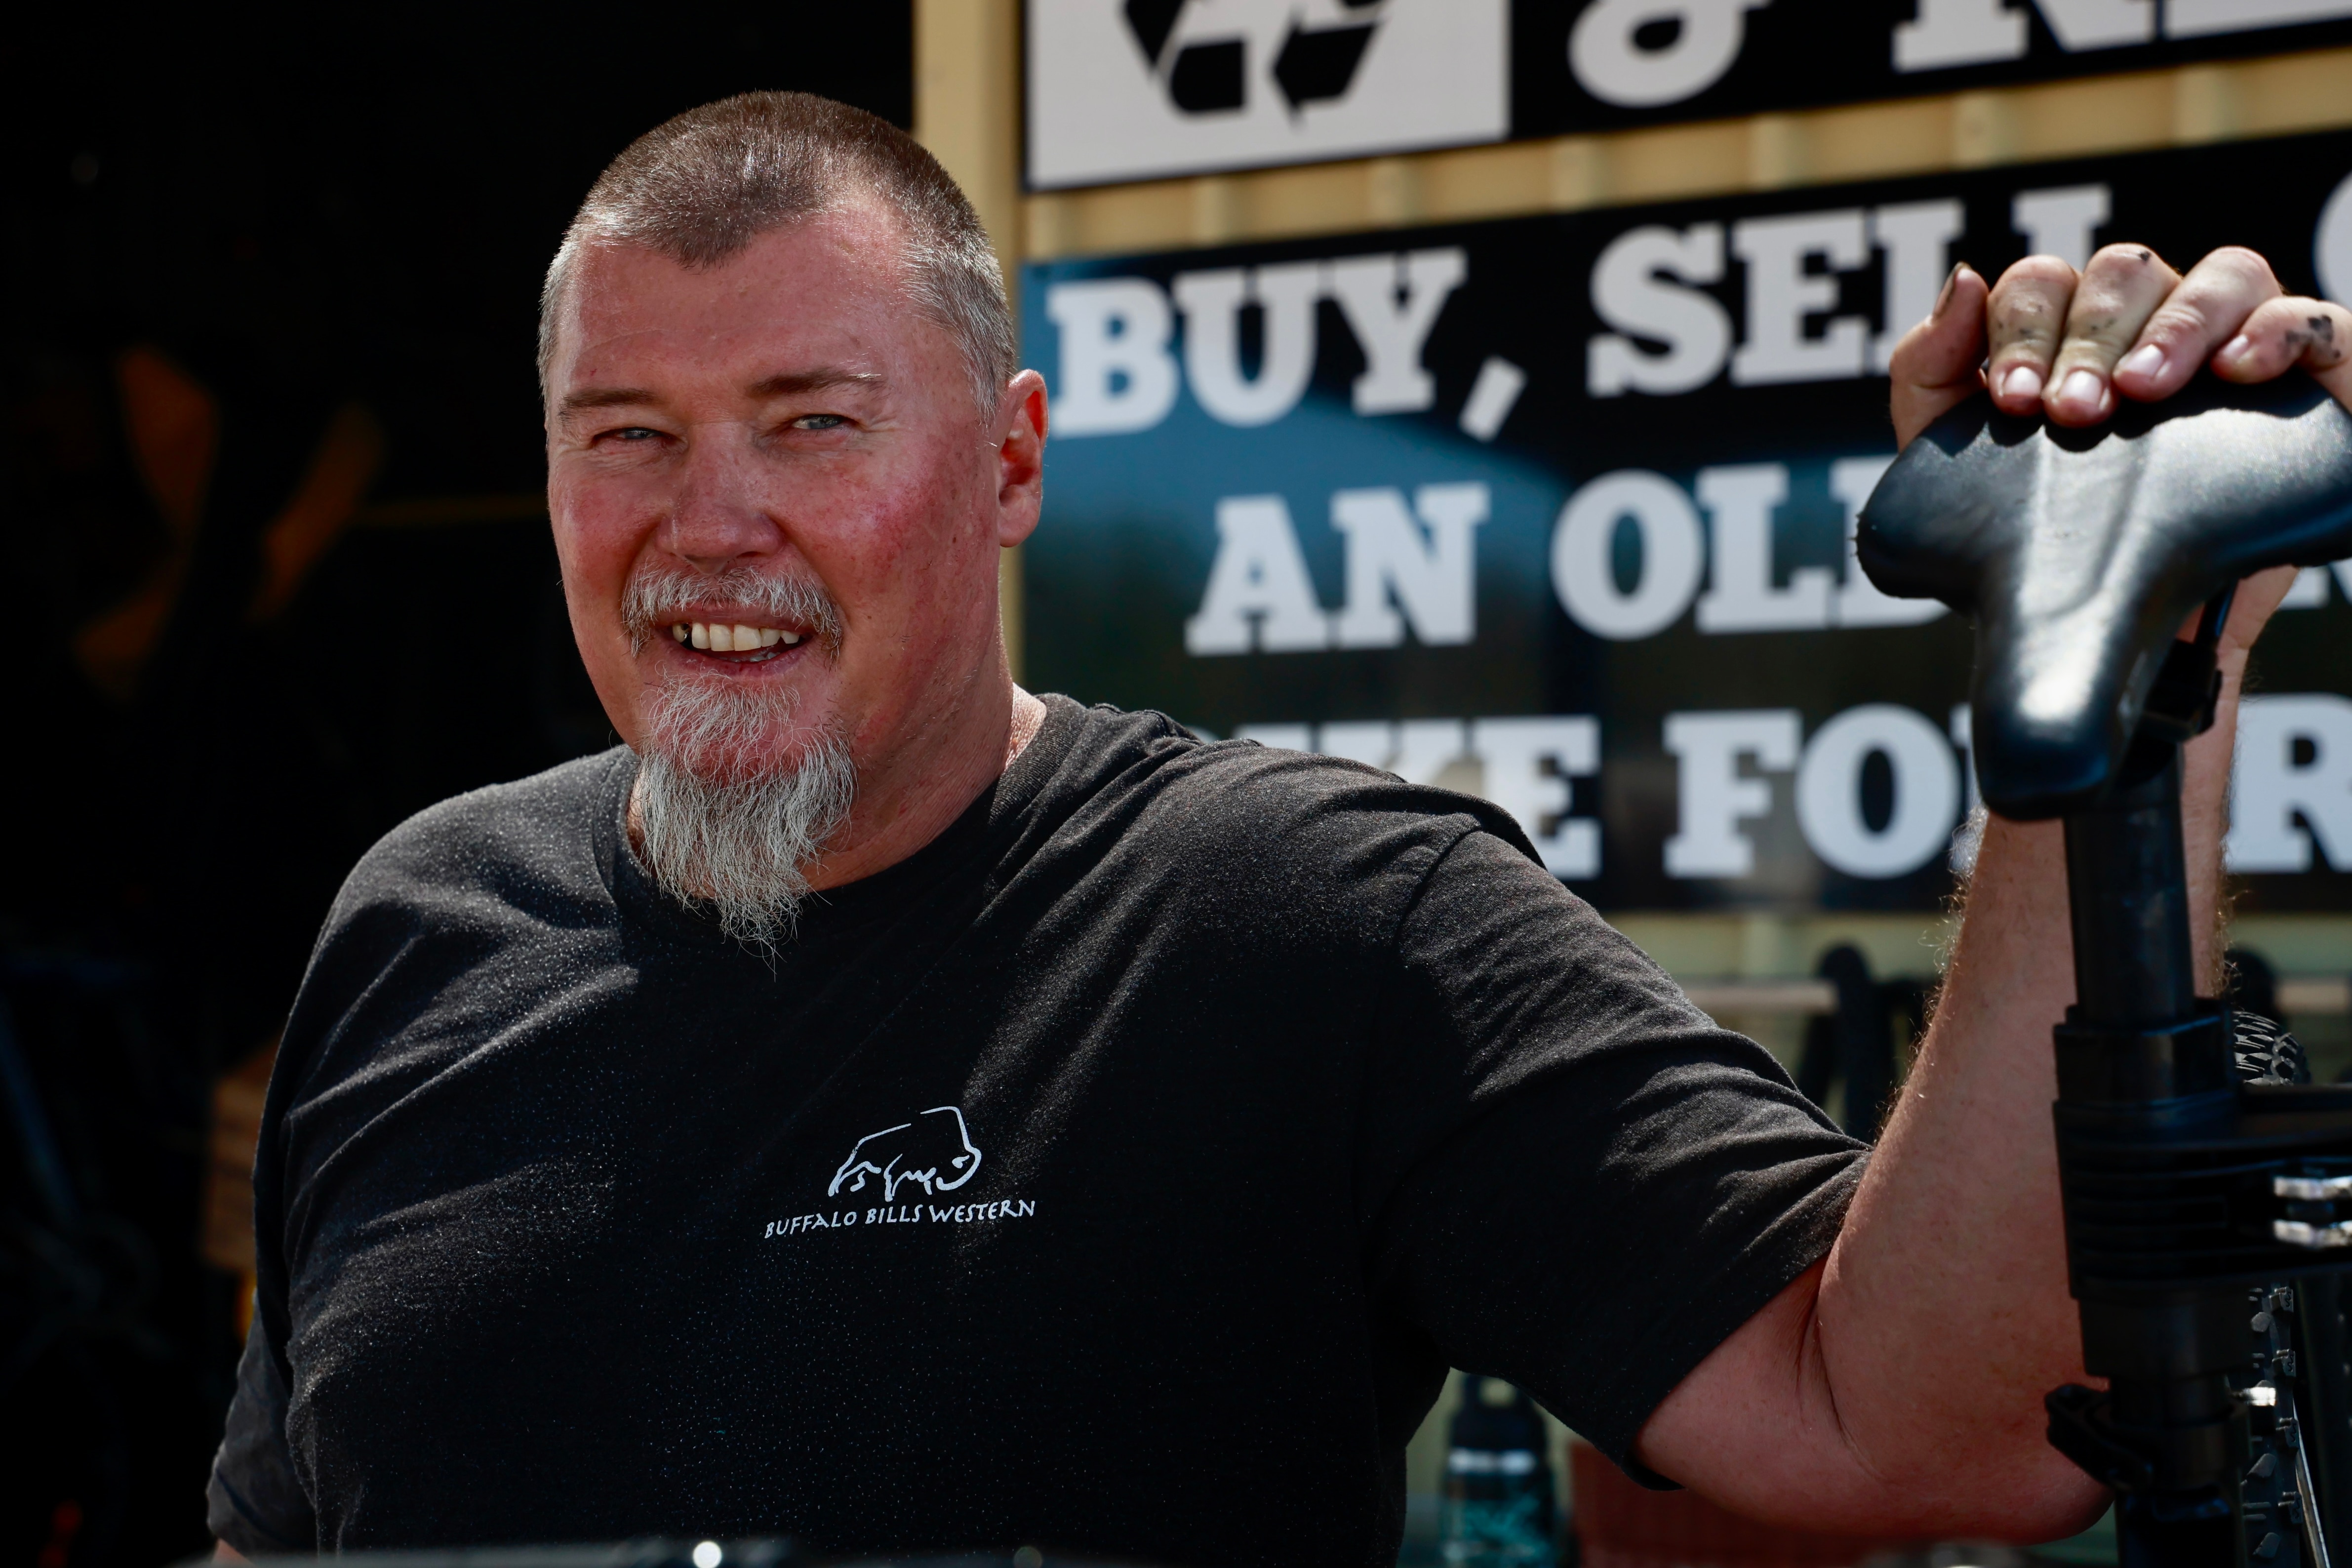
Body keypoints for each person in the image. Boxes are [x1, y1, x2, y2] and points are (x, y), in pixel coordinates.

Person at [206, 92, 2352, 1564]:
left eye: (812, 424)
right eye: (631, 437)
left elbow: (1932, 1412)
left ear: (1014, 459)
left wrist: (2130, 662)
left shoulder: (1318, 919)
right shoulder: (414, 923)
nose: (712, 526)